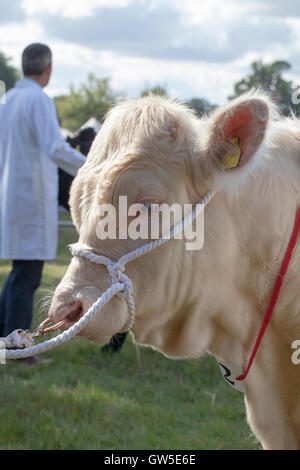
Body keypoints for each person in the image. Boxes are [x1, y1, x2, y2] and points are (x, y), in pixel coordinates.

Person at [0, 43, 85, 359]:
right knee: (27, 275)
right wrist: (92, 167)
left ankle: (4, 343)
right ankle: (17, 351)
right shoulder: (39, 99)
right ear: (47, 70)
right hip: (31, 197)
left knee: (19, 271)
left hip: (12, 194)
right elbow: (55, 148)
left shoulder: (7, 100)